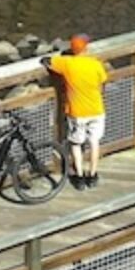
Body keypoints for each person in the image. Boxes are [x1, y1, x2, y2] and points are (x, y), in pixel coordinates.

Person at [43, 35, 109, 189]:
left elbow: (46, 61)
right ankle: (92, 175)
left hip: (77, 111)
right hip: (96, 109)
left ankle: (79, 176)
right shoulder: (95, 64)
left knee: (76, 143)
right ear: (86, 48)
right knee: (94, 142)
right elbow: (103, 80)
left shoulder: (67, 63)